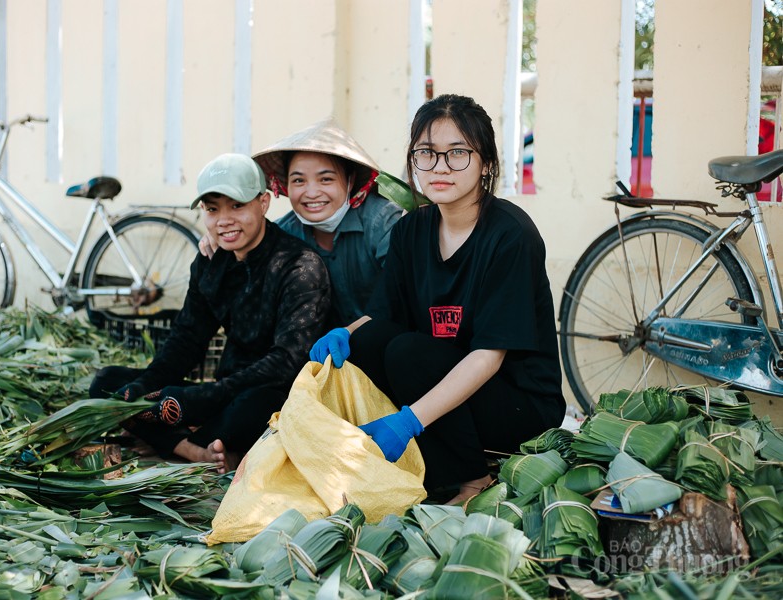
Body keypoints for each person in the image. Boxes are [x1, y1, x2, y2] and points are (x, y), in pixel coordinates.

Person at [309, 94, 565, 504]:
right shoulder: (412, 230)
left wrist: (409, 420)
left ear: (485, 163)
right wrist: (342, 333)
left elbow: (488, 356)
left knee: (409, 352)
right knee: (371, 341)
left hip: (517, 404)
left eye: (458, 153)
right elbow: (380, 315)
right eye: (427, 153)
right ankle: (432, 469)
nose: (441, 167)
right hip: (450, 394)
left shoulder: (510, 235)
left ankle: (472, 480)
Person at [90, 153, 331, 473]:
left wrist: (202, 397)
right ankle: (194, 449)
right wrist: (143, 385)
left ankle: (178, 441)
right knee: (108, 383)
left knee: (255, 408)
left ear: (263, 203)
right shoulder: (210, 262)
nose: (224, 220)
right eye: (212, 209)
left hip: (271, 394)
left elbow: (287, 363)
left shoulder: (299, 266)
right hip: (220, 390)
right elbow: (186, 339)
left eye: (237, 206)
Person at [202, 120, 403, 326]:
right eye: (299, 180)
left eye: (326, 179)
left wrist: (350, 333)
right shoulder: (284, 233)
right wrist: (223, 236)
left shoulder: (383, 223)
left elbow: (401, 297)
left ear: (350, 181)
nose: (312, 193)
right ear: (285, 185)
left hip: (385, 343)